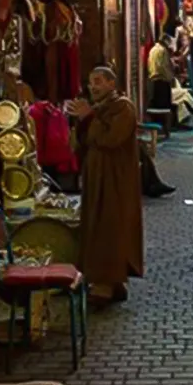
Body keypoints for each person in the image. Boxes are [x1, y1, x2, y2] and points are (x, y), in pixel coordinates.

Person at [67, 67, 144, 307]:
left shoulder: (123, 108)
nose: (93, 87)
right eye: (91, 82)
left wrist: (89, 118)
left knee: (110, 226)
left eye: (99, 81)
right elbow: (83, 141)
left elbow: (111, 139)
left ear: (112, 83)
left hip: (115, 180)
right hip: (96, 177)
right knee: (97, 224)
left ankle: (106, 284)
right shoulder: (99, 108)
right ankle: (109, 282)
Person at [147, 34, 174, 116]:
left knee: (157, 106)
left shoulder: (152, 49)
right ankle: (165, 125)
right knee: (164, 108)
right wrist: (170, 78)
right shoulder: (162, 50)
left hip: (153, 80)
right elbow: (164, 67)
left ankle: (159, 123)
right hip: (162, 80)